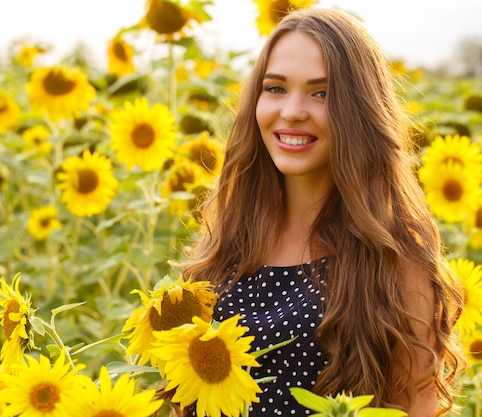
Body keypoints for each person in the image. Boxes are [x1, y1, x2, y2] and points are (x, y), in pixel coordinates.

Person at [178, 7, 464, 417]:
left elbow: (417, 406)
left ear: (360, 111)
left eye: (321, 93)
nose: (292, 111)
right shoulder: (226, 243)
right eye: (275, 88)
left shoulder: (394, 262)